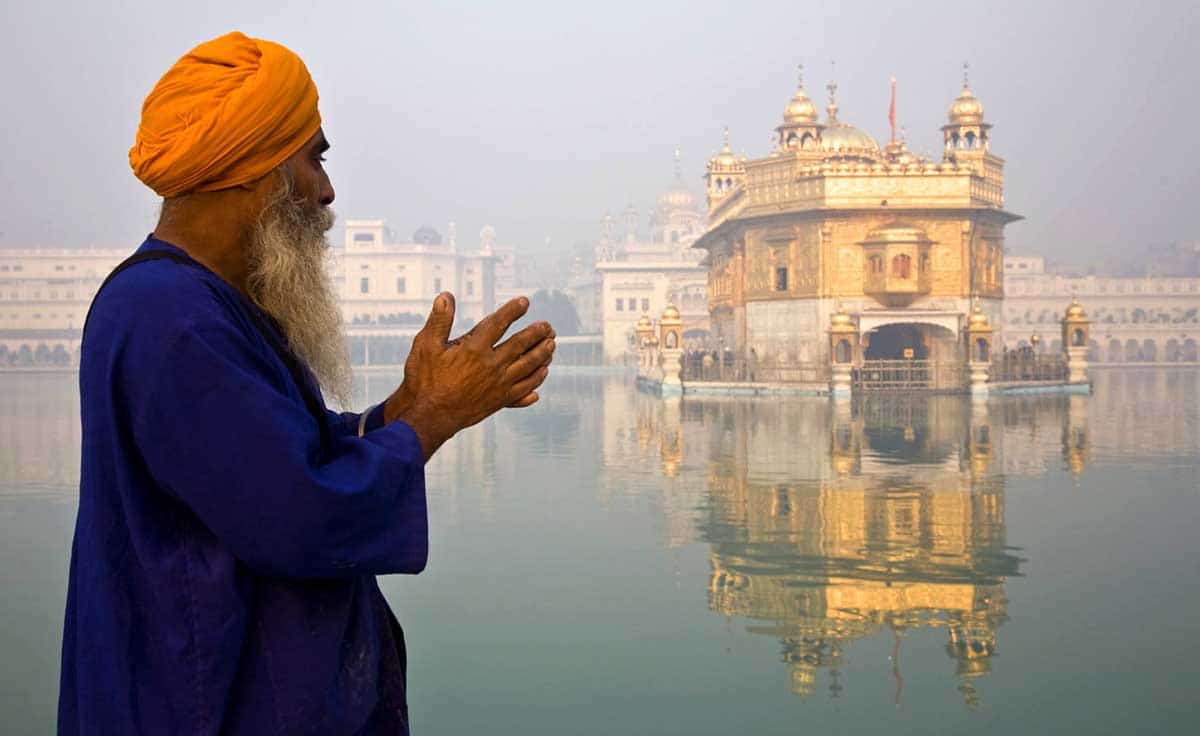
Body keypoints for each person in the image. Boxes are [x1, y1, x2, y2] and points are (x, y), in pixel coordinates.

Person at [58, 31, 556, 735]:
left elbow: (289, 455)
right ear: (251, 165)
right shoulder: (173, 320)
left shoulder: (203, 303)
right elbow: (299, 514)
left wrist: (405, 409)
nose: (326, 191)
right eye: (313, 158)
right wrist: (435, 418)